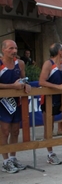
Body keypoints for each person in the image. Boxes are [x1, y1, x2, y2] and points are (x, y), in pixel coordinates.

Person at [0, 40, 31, 173]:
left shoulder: (20, 63)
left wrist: (26, 85)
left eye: (16, 48)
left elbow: (23, 79)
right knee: (4, 131)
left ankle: (13, 158)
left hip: (16, 102)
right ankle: (5, 160)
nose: (14, 51)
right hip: (2, 102)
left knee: (15, 131)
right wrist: (12, 86)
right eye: (10, 48)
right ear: (3, 50)